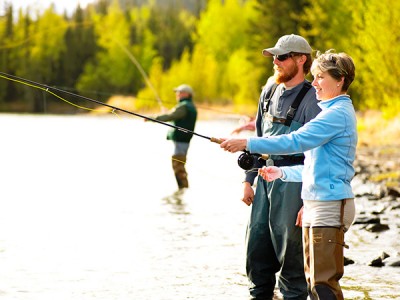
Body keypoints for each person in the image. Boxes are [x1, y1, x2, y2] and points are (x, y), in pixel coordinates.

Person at [220, 50, 357, 300]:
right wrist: (282, 172)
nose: (314, 83)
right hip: (319, 204)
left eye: (320, 77)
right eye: (314, 77)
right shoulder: (330, 112)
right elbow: (314, 166)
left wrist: (248, 143)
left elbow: (296, 141)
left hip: (330, 205)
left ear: (340, 80)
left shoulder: (337, 114)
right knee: (314, 283)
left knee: (323, 284)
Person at [231, 34, 322, 300]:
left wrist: (309, 200)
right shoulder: (268, 90)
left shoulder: (312, 99)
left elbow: (316, 154)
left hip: (295, 182)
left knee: (291, 251)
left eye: (281, 57)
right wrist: (248, 180)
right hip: (263, 179)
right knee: (256, 246)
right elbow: (257, 139)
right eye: (274, 57)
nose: (275, 62)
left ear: (301, 59)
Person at [152, 84, 197, 189]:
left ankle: (183, 190)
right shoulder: (188, 105)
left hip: (181, 141)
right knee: (179, 165)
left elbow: (171, 116)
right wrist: (167, 113)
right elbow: (174, 115)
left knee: (178, 166)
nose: (177, 94)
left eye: (179, 92)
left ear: (187, 94)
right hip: (183, 140)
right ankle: (183, 192)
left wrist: (152, 118)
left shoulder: (184, 106)